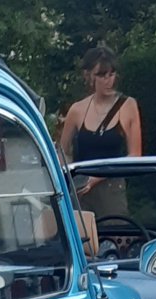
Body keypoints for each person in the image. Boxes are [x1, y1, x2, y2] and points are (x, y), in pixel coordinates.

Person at [59, 46, 143, 219]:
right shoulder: (77, 110)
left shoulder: (128, 106)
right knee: (82, 239)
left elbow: (135, 155)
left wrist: (98, 176)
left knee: (114, 236)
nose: (108, 81)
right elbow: (62, 151)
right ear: (89, 76)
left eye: (111, 74)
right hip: (80, 188)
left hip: (111, 186)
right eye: (102, 75)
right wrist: (67, 179)